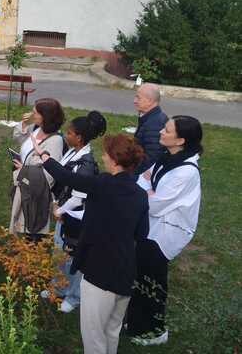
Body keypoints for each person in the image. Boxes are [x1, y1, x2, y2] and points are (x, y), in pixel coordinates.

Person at [34, 134, 149, 354]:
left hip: (100, 274)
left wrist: (45, 156)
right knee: (111, 331)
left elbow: (68, 178)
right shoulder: (140, 195)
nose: (103, 156)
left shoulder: (103, 183)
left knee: (94, 338)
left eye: (106, 153)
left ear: (115, 160)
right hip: (125, 274)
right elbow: (142, 234)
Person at [127, 116, 203, 346]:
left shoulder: (186, 171)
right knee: (140, 275)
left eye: (167, 130)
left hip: (165, 233)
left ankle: (154, 331)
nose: (161, 131)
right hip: (151, 225)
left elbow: (157, 203)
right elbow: (143, 180)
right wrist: (149, 191)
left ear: (180, 140)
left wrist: (149, 191)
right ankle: (136, 322)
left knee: (152, 280)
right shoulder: (167, 156)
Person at [41, 111, 106, 313]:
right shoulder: (72, 152)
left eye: (69, 133)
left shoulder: (85, 163)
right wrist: (55, 202)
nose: (65, 135)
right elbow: (61, 180)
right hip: (63, 212)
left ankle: (74, 295)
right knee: (60, 251)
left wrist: (60, 210)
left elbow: (79, 196)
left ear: (78, 137)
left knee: (74, 255)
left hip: (76, 217)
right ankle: (58, 286)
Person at [10, 98, 66, 241]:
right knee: (21, 222)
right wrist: (24, 123)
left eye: (35, 113)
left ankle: (31, 255)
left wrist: (24, 170)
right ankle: (22, 254)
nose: (31, 114)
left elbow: (50, 175)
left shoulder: (55, 141)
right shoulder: (36, 128)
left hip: (36, 193)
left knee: (32, 226)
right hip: (25, 185)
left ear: (45, 117)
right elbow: (19, 138)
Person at [133, 83, 168, 175]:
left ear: (150, 101)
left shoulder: (155, 124)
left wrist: (132, 174)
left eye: (138, 98)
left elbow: (151, 158)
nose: (134, 101)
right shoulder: (150, 117)